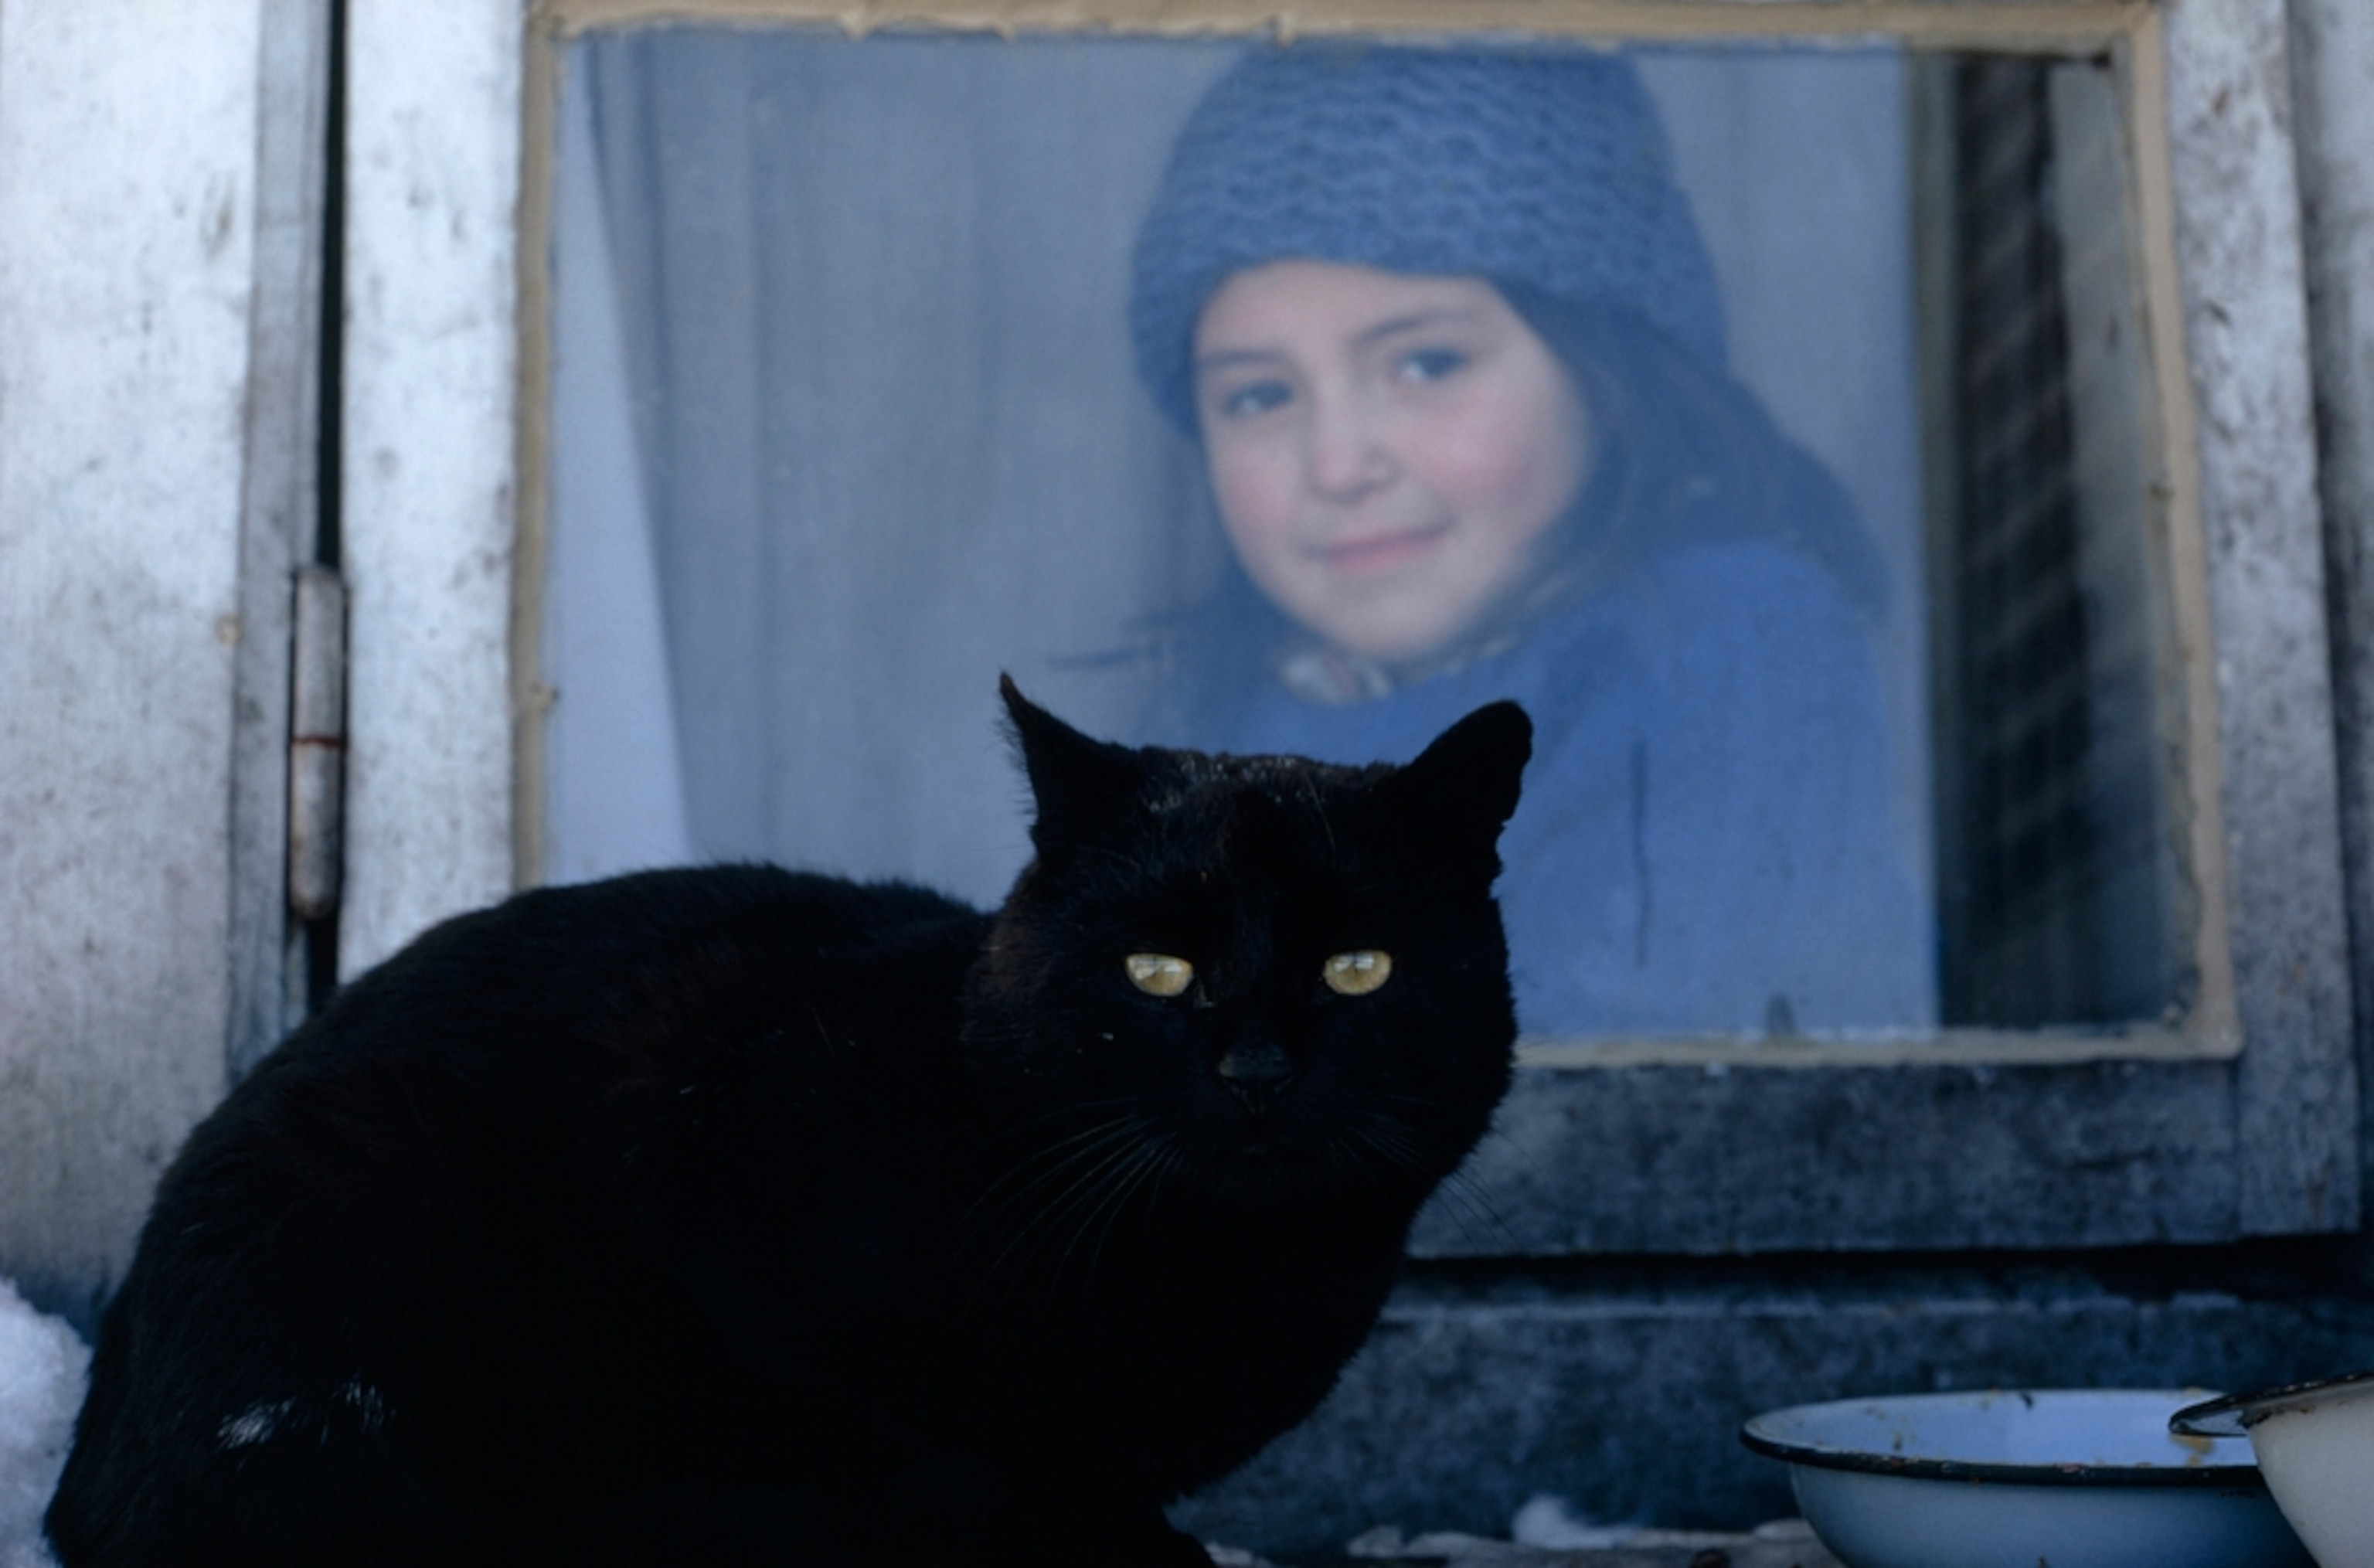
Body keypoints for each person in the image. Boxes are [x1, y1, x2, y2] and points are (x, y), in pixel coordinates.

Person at [1124, 43, 1935, 1036]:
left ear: (1609, 370)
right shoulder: (1222, 733)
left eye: (1425, 362)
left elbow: (1642, 1117)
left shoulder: (1725, 645)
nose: (1337, 464)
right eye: (1259, 394)